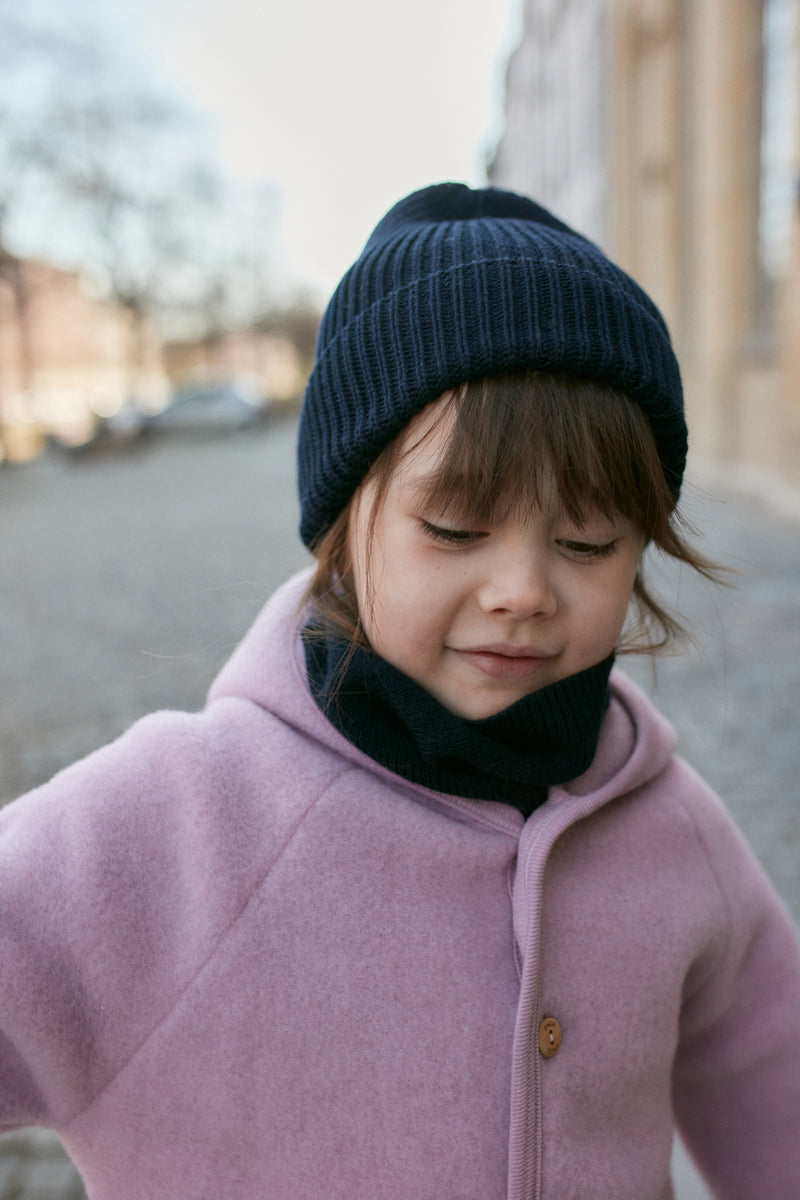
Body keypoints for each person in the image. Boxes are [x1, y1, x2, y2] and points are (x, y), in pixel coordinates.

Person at [1, 182, 798, 1200]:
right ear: (342, 526)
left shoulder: (669, 829)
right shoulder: (174, 823)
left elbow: (771, 1087)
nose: (520, 592)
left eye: (586, 542)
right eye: (456, 530)